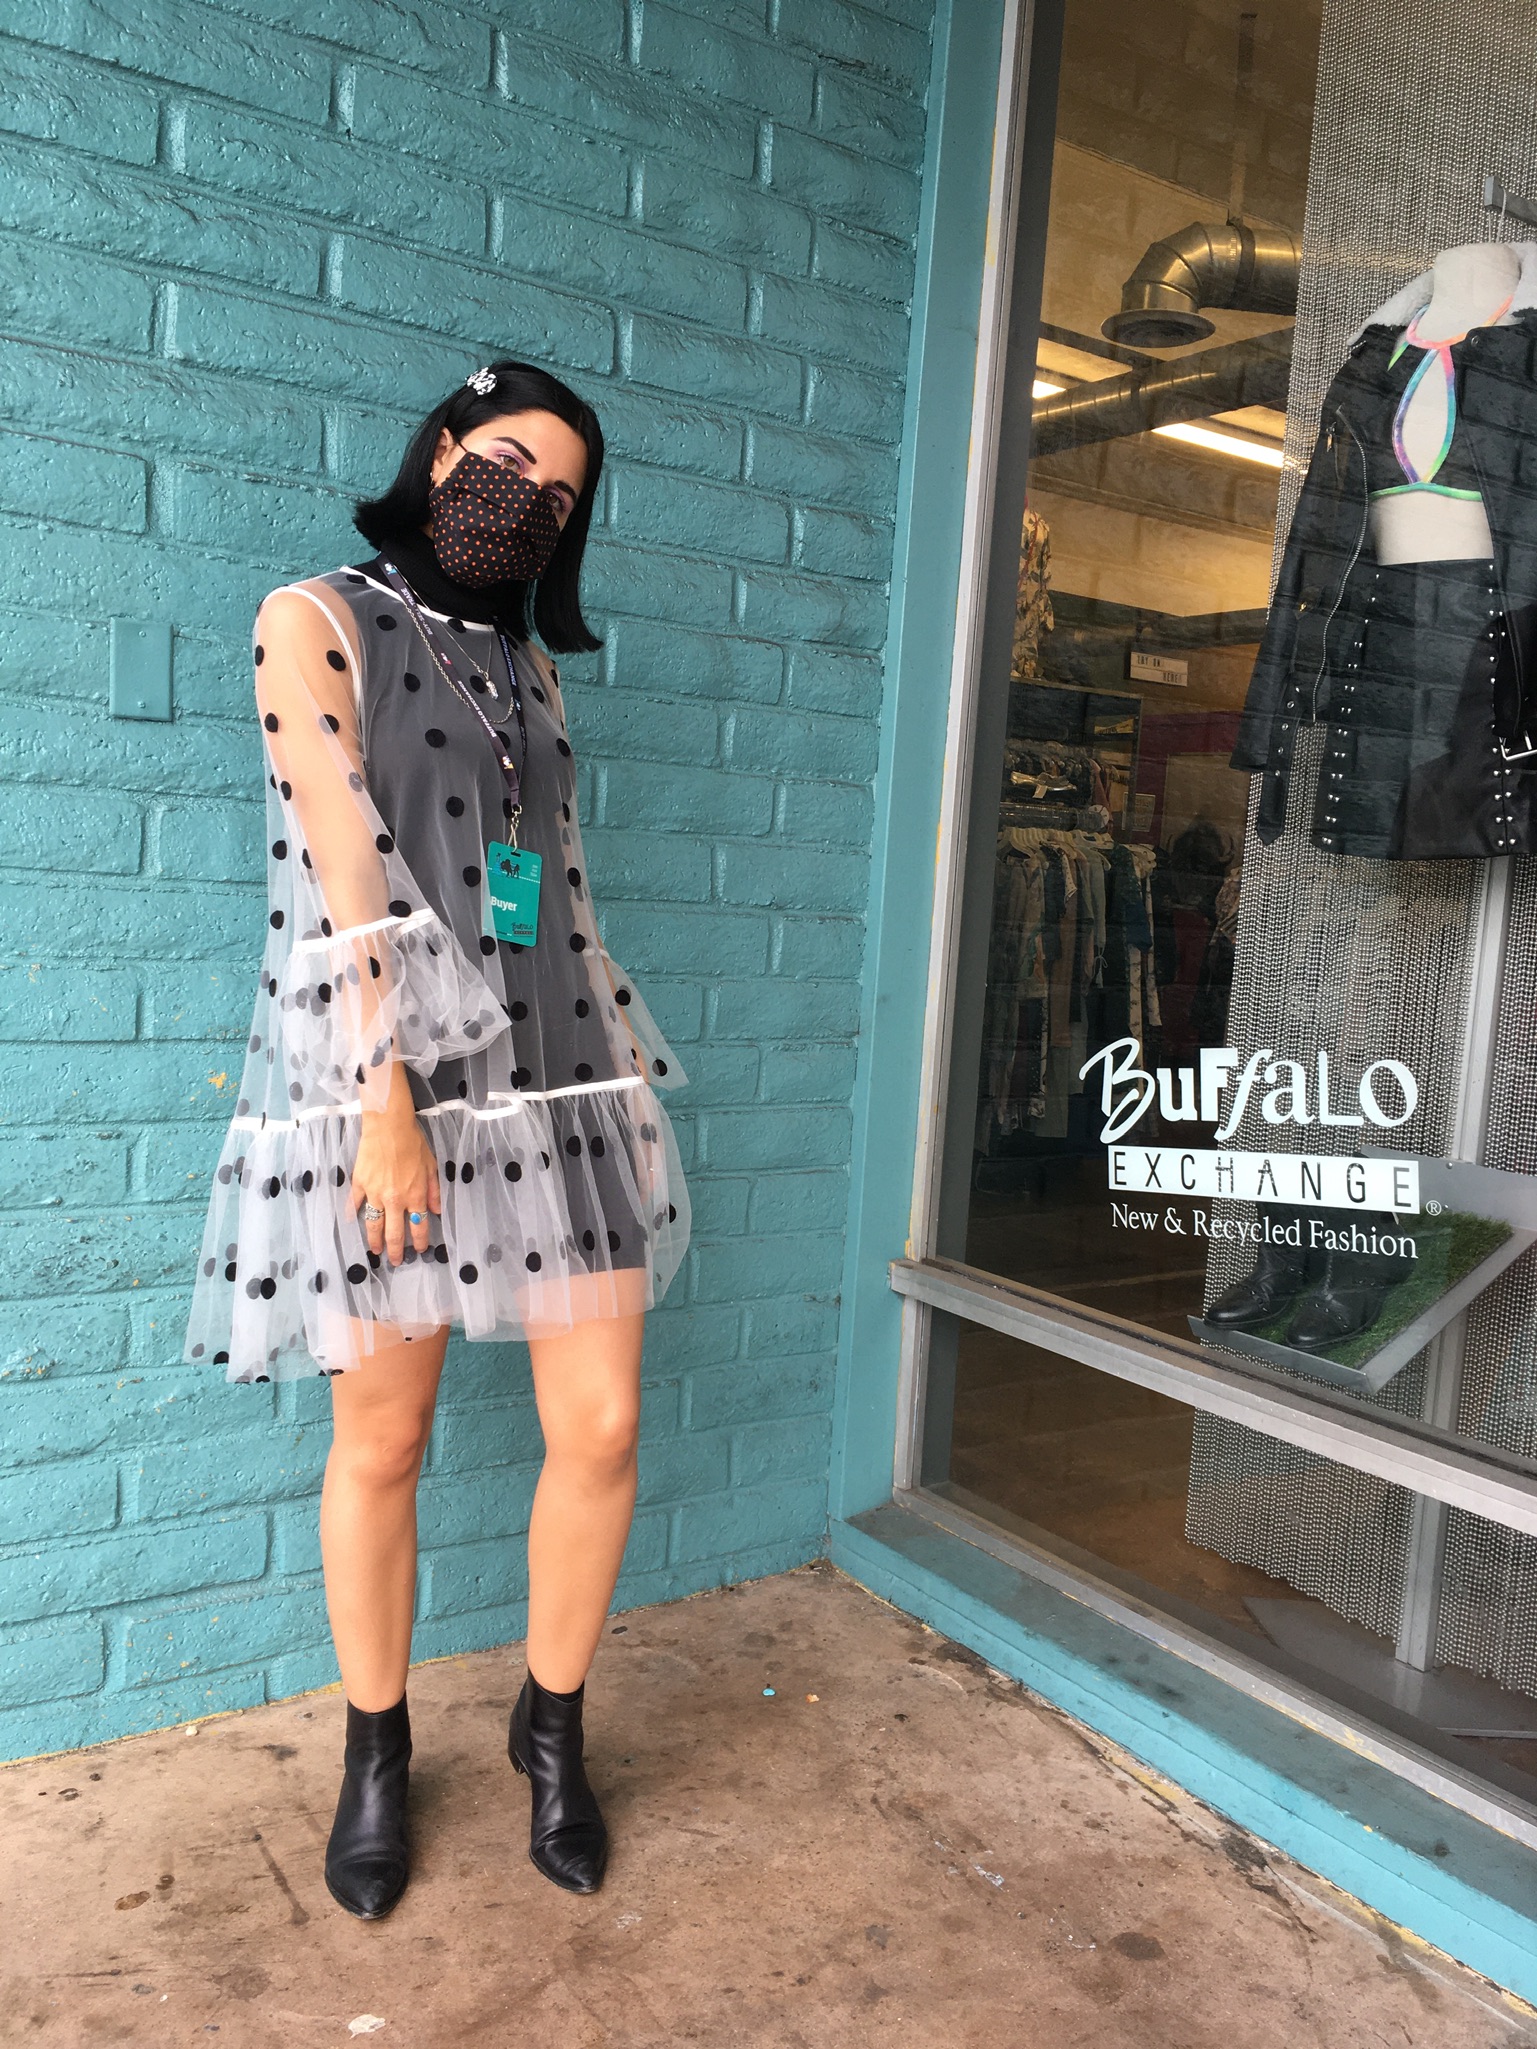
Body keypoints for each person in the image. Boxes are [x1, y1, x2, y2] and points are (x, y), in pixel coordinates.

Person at [182, 361, 691, 1918]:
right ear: (443, 445)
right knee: (384, 1438)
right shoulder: (310, 617)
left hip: (555, 1077)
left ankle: (552, 1733)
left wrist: (616, 1075)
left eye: (560, 497)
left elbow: (557, 887)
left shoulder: (527, 672)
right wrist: (384, 1097)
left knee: (598, 1425)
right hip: (382, 1084)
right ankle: (377, 1753)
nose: (523, 502)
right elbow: (339, 848)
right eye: (505, 462)